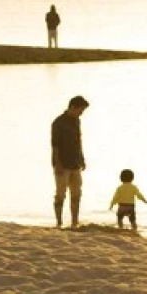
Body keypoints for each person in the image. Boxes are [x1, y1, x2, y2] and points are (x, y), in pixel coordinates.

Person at [50, 95, 89, 228]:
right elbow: (55, 145)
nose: (81, 113)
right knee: (60, 194)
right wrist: (58, 164)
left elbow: (79, 141)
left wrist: (82, 158)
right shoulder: (58, 122)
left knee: (77, 193)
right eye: (81, 110)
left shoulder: (77, 121)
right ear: (73, 107)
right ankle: (59, 222)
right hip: (62, 164)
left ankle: (74, 221)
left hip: (75, 163)